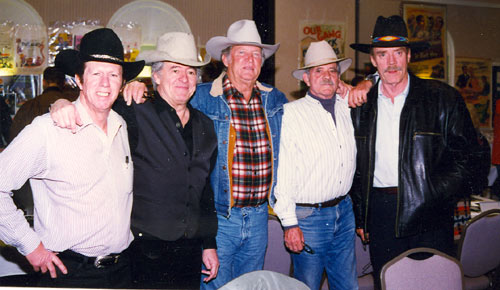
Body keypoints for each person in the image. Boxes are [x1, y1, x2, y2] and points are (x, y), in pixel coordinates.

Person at [49, 32, 219, 289]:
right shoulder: (133, 111)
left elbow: (205, 191)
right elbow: (90, 104)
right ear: (156, 76)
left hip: (190, 252)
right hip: (145, 253)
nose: (185, 78)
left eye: (191, 72)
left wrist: (208, 244)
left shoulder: (205, 125)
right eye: (175, 70)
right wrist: (59, 103)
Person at [0, 28, 144, 288]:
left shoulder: (121, 125)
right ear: (78, 79)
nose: (105, 83)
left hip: (123, 270)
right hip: (70, 273)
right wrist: (30, 245)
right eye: (96, 73)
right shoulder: (47, 130)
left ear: (122, 82)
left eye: (113, 75)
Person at [349, 15, 478, 288]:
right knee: (387, 282)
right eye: (382, 55)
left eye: (398, 53)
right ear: (373, 60)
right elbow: (356, 167)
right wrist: (362, 214)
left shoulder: (443, 98)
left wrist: (432, 191)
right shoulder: (360, 105)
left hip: (430, 211)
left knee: (432, 284)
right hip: (380, 214)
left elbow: (471, 160)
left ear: (409, 56)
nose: (391, 62)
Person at [191, 19, 288, 290]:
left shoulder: (275, 100)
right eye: (242, 53)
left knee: (251, 286)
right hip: (220, 218)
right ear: (226, 59)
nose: (250, 60)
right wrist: (136, 90)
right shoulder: (201, 98)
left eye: (256, 54)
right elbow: (163, 105)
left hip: (260, 217)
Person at [273, 40, 357, 290]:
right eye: (318, 71)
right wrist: (289, 223)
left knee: (348, 286)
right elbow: (284, 172)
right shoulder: (291, 114)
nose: (327, 76)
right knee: (306, 286)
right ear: (306, 79)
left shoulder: (347, 108)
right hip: (308, 218)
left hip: (344, 212)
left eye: (332, 70)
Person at [9, 66, 76, 143]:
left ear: (43, 82)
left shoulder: (28, 106)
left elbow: (14, 138)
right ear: (64, 83)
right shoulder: (73, 104)